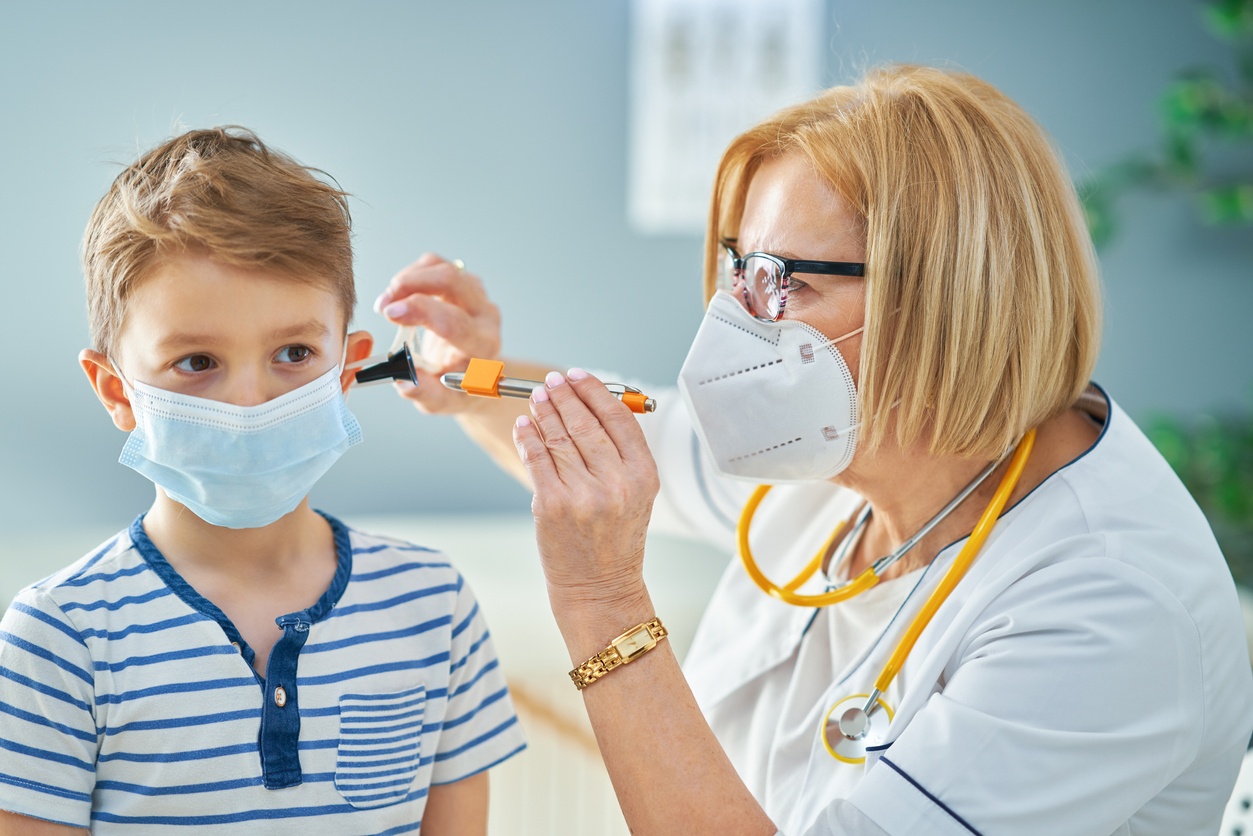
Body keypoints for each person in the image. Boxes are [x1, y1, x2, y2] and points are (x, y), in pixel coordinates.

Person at [374, 65, 1253, 835]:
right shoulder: (850, 447)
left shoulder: (1108, 607)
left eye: (781, 282)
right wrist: (466, 377)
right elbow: (628, 436)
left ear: (947, 296)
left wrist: (602, 605)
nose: (731, 324)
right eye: (737, 270)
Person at [0, 128, 525, 835]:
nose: (251, 402)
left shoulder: (434, 606)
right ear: (116, 391)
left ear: (347, 370)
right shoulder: (58, 639)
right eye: (196, 362)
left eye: (293, 353)